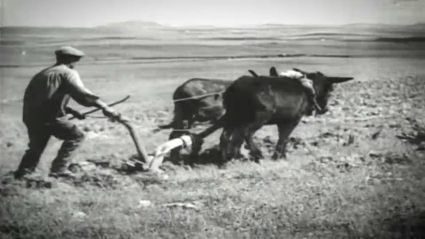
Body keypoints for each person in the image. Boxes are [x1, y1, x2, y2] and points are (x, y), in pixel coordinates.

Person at [14, 46, 119, 179]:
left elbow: (45, 98)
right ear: (69, 59)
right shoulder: (68, 73)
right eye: (75, 60)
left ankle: (23, 174)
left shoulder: (43, 73)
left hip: (32, 117)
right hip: (51, 117)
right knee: (77, 136)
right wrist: (104, 107)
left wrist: (71, 111)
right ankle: (59, 169)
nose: (75, 63)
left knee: (36, 146)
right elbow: (82, 93)